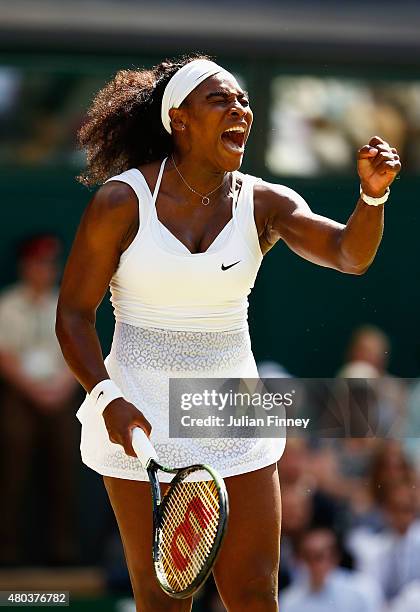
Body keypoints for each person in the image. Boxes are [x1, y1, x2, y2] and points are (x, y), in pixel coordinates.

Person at [55, 53, 401, 611]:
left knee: (253, 592)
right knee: (162, 598)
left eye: (243, 100)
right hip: (135, 407)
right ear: (179, 119)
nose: (240, 107)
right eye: (221, 98)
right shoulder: (120, 201)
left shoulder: (265, 202)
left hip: (229, 410)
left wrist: (374, 196)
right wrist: (105, 397)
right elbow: (72, 316)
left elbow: (348, 253)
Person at [0, 235, 79, 564]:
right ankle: (7, 550)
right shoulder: (8, 305)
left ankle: (63, 549)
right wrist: (34, 392)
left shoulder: (67, 304)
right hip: (20, 394)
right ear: (25, 266)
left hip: (61, 395)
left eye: (50, 264)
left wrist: (60, 388)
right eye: (38, 263)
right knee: (12, 467)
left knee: (65, 466)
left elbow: (78, 352)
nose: (45, 270)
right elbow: (5, 355)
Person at [280, 527, 382, 612]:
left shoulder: (361, 590)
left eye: (318, 557)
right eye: (307, 557)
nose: (312, 564)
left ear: (335, 557)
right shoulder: (289, 601)